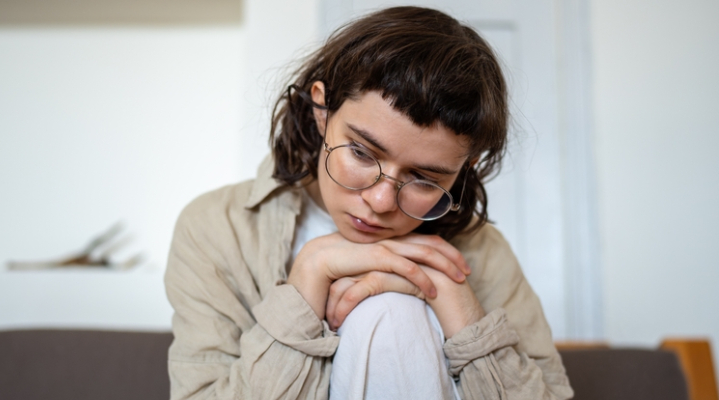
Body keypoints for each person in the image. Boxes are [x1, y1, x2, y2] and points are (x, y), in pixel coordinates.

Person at [165, 6, 574, 400]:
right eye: (361, 153)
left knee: (391, 312)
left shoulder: (482, 252)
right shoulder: (216, 228)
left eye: (424, 178)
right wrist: (309, 277)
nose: (380, 202)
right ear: (323, 110)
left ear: (465, 168)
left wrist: (451, 299)